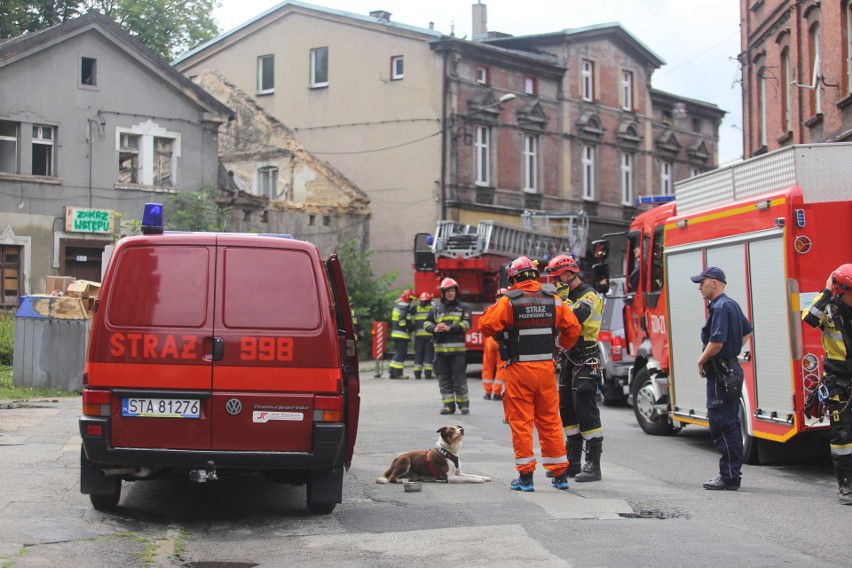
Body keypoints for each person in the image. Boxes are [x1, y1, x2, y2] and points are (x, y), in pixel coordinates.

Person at [479, 256, 580, 491]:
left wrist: (491, 310)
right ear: (534, 275)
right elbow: (573, 328)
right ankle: (560, 475)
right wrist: (559, 347)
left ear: (512, 277)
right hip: (545, 369)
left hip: (518, 369)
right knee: (550, 421)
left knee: (522, 422)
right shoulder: (553, 300)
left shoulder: (509, 302)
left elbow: (486, 327)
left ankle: (525, 478)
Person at [692, 266, 753, 491]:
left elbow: (716, 343)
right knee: (731, 423)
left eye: (702, 283)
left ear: (714, 283)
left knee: (722, 424)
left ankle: (729, 476)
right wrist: (732, 350)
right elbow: (747, 332)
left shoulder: (719, 307)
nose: (700, 287)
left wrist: (701, 360)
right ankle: (731, 474)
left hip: (721, 373)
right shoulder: (732, 304)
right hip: (731, 370)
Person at [545, 254, 605, 482]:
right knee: (567, 409)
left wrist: (561, 301)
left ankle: (593, 465)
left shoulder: (590, 294)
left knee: (586, 409)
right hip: (569, 357)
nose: (555, 282)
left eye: (558, 277)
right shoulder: (565, 295)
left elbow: (574, 318)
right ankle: (572, 463)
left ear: (569, 273)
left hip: (587, 356)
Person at [802, 264, 852, 505]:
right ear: (839, 291)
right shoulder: (828, 309)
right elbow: (808, 317)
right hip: (838, 381)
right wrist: (825, 290)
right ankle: (846, 485)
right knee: (843, 435)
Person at [424, 278, 472, 414]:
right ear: (443, 293)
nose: (450, 294)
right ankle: (448, 406)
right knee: (444, 379)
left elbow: (467, 324)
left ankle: (464, 405)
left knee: (459, 378)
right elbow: (426, 323)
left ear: (456, 291)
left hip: (458, 353)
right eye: (447, 291)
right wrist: (434, 328)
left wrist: (449, 328)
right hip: (440, 352)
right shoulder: (436, 309)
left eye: (452, 291)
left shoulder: (464, 308)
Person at [482, 288, 509, 401]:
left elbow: (484, 325)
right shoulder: (507, 309)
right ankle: (497, 392)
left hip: (490, 341)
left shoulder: (490, 309)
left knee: (488, 366)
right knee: (501, 367)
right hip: (501, 341)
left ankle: (487, 392)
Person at [389, 289, 415, 379]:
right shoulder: (404, 308)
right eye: (411, 300)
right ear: (408, 299)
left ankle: (392, 372)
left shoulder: (398, 306)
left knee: (398, 353)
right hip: (402, 334)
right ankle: (398, 373)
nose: (411, 302)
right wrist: (410, 327)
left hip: (396, 333)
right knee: (401, 354)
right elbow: (402, 322)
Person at [412, 292, 435, 380]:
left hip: (418, 336)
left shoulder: (416, 309)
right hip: (429, 335)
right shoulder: (432, 309)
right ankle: (428, 373)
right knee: (429, 354)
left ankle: (417, 373)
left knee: (418, 353)